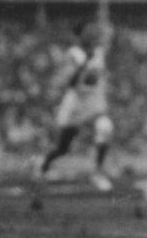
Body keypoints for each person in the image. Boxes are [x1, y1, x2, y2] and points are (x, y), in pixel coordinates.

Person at [33, 20, 115, 195]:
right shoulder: (74, 54)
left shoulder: (99, 52)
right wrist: (85, 63)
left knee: (105, 127)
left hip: (94, 102)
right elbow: (69, 82)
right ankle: (43, 166)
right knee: (63, 148)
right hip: (77, 104)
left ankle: (98, 172)